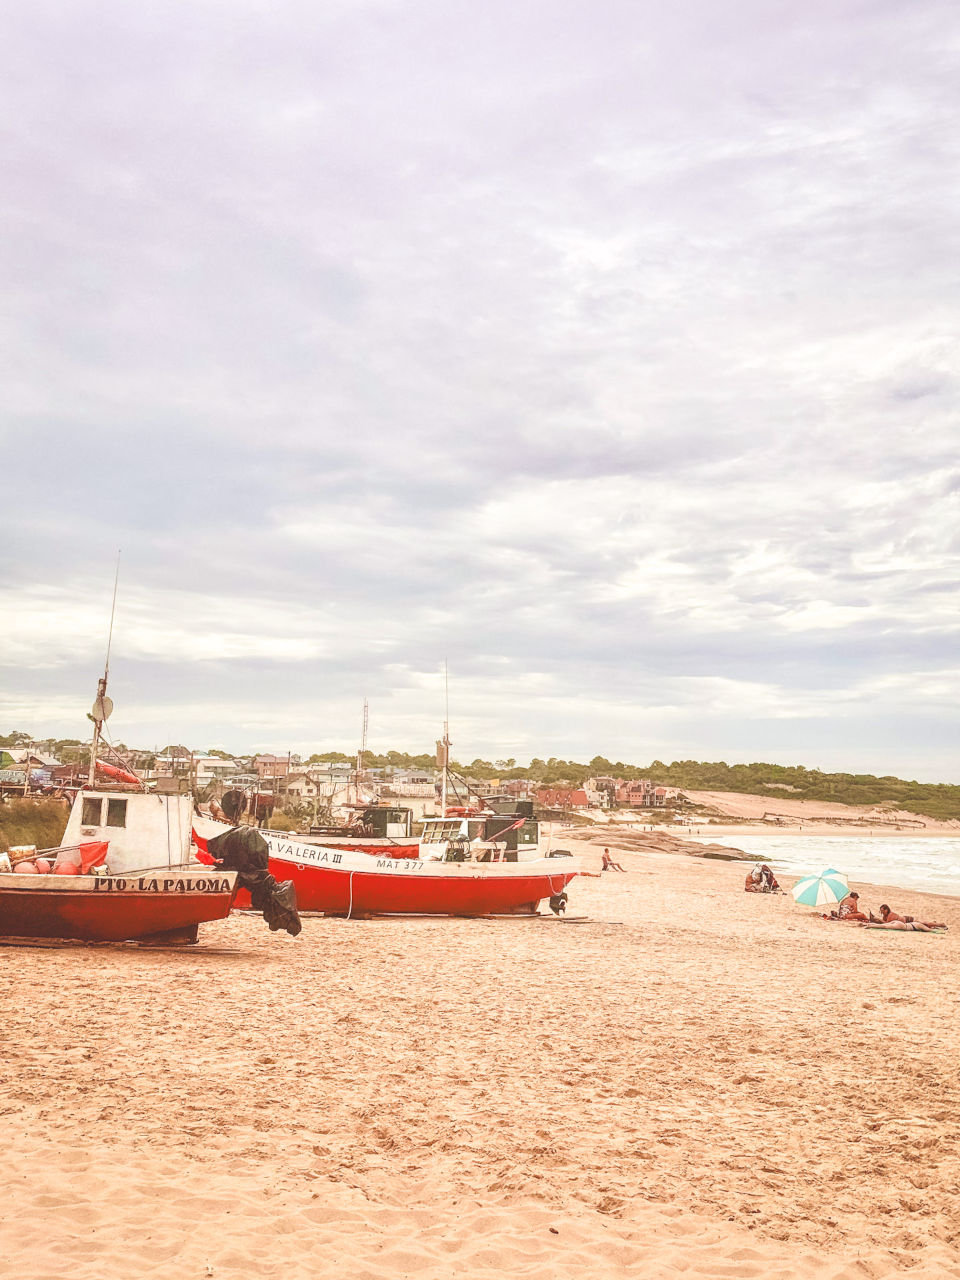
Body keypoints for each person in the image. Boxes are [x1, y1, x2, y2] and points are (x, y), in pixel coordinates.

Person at [876, 904, 947, 929]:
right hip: (906, 921)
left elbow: (887, 924)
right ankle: (933, 923)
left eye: (882, 910)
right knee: (924, 924)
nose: (882, 912)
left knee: (925, 924)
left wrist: (879, 919)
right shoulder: (885, 916)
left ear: (886, 910)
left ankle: (940, 924)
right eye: (881, 911)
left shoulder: (890, 914)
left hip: (908, 920)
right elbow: (884, 923)